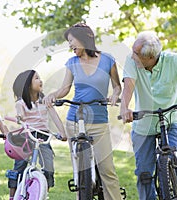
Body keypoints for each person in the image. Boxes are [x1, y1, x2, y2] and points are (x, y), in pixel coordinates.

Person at [119, 31, 177, 200]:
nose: (132, 55)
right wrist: (124, 108)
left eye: (136, 53)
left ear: (150, 57)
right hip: (144, 123)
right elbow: (128, 87)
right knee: (144, 171)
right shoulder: (132, 61)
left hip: (172, 119)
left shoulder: (173, 60)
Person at [43, 23, 122, 200]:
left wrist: (115, 95)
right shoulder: (72, 63)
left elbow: (118, 87)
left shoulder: (108, 60)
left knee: (107, 169)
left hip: (99, 121)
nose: (70, 45)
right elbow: (65, 88)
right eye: (69, 42)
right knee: (80, 173)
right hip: (74, 121)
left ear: (85, 38)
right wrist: (53, 95)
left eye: (71, 41)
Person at [7, 70, 67, 200]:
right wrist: (18, 118)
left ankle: (43, 194)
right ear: (28, 84)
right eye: (36, 78)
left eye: (40, 78)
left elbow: (55, 117)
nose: (40, 80)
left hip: (43, 136)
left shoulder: (45, 101)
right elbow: (20, 116)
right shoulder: (21, 103)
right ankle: (12, 196)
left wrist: (62, 133)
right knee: (19, 166)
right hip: (26, 136)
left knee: (48, 166)